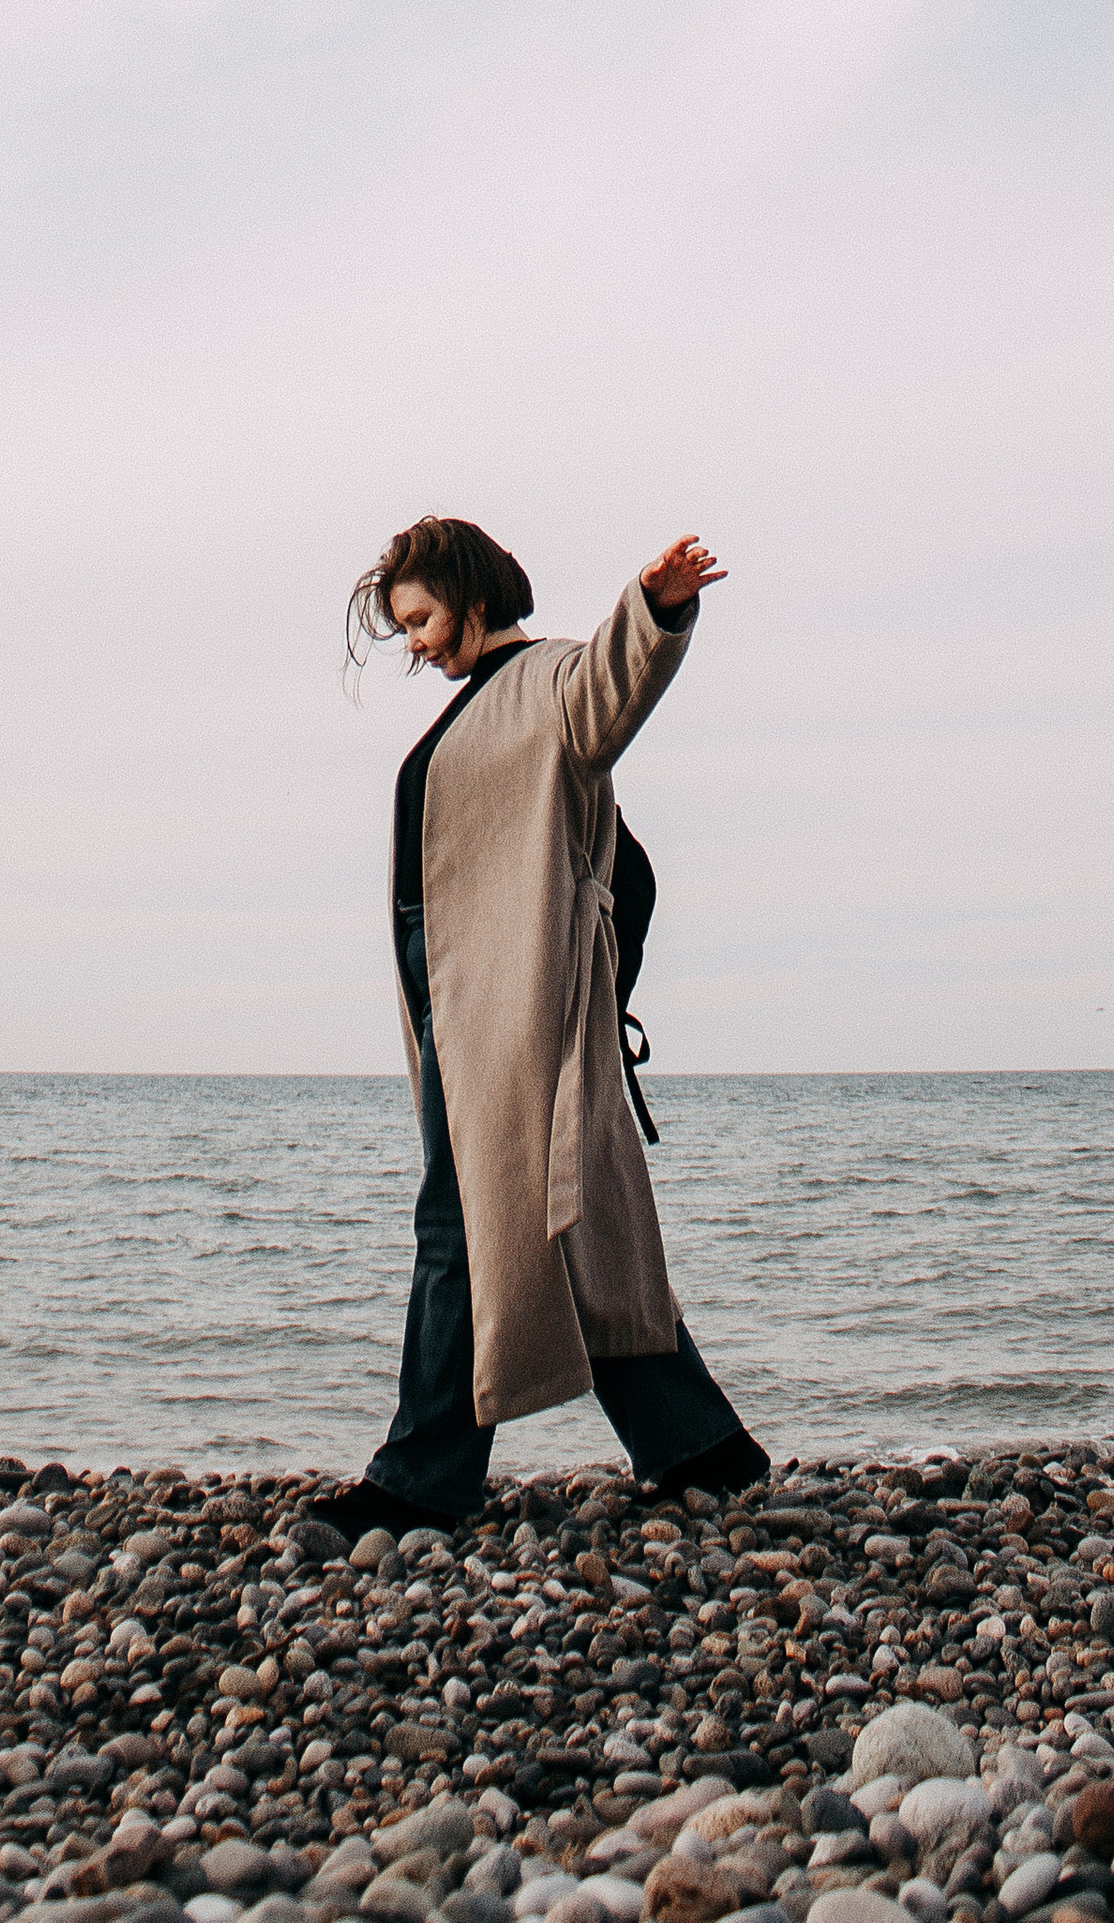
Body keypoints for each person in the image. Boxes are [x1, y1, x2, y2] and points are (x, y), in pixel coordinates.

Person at [335, 511, 771, 1530]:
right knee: (575, 1230)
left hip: (514, 1001)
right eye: (402, 627)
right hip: (460, 997)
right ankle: (701, 1450)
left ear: (474, 599)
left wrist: (655, 606)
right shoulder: (476, 706)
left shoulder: (547, 684)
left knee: (457, 1227)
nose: (416, 644)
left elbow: (612, 688)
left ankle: (417, 1480)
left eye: (422, 618)